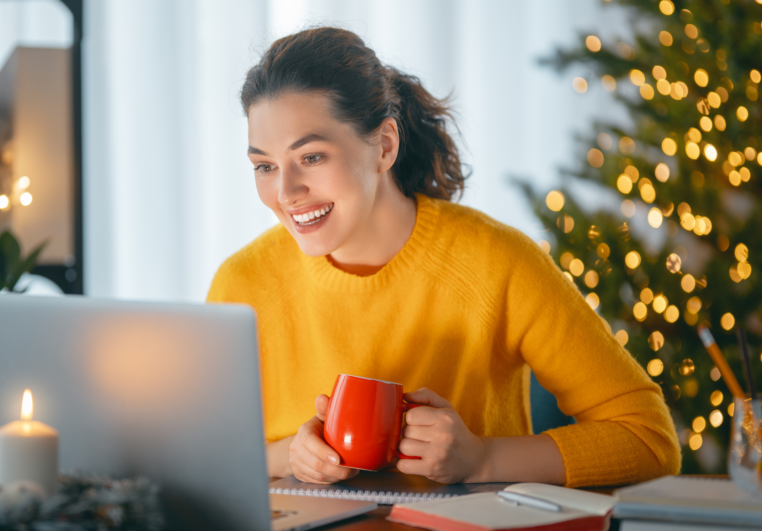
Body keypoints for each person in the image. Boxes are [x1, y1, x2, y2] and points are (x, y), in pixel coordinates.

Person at [207, 27, 680, 487]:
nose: (285, 192)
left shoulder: (497, 262)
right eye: (265, 166)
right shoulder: (242, 283)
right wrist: (291, 455)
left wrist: (483, 458)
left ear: (385, 146)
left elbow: (650, 438)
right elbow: (207, 459)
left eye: (311, 157)